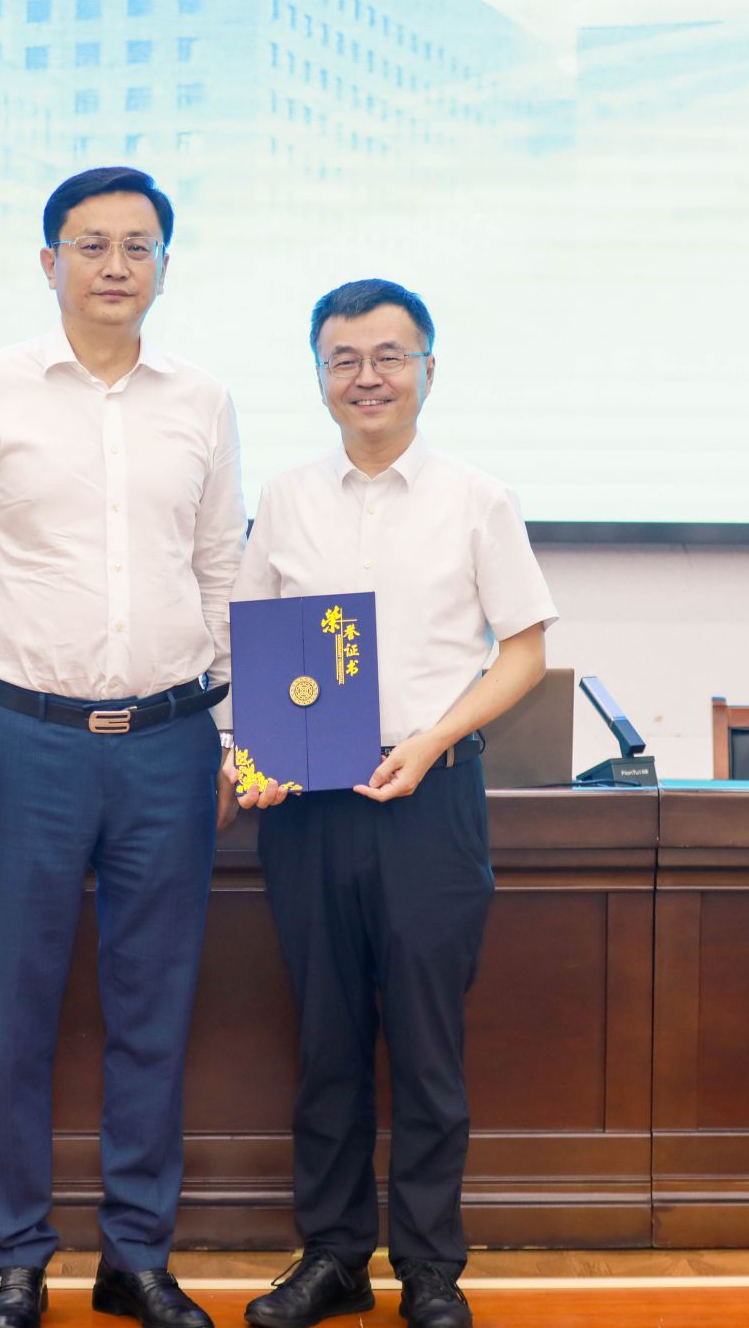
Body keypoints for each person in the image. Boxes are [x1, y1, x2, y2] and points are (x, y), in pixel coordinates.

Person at [0, 166, 243, 1328]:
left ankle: (135, 1257)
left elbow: (219, 570)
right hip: (26, 741)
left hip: (169, 740)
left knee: (155, 1013)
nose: (115, 265)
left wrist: (236, 733)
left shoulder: (202, 401)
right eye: (91, 244)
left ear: (162, 265)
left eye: (137, 246)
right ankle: (14, 1255)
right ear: (48, 261)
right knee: (19, 1013)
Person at [230, 280, 556, 1328]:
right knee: (325, 1041)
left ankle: (429, 1268)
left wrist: (433, 737)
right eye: (343, 359)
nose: (365, 377)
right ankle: (331, 1256)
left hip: (430, 797)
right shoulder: (285, 498)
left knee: (425, 1043)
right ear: (319, 375)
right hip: (308, 803)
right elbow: (253, 647)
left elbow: (523, 653)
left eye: (387, 356)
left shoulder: (477, 498)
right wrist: (251, 757)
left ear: (426, 368)